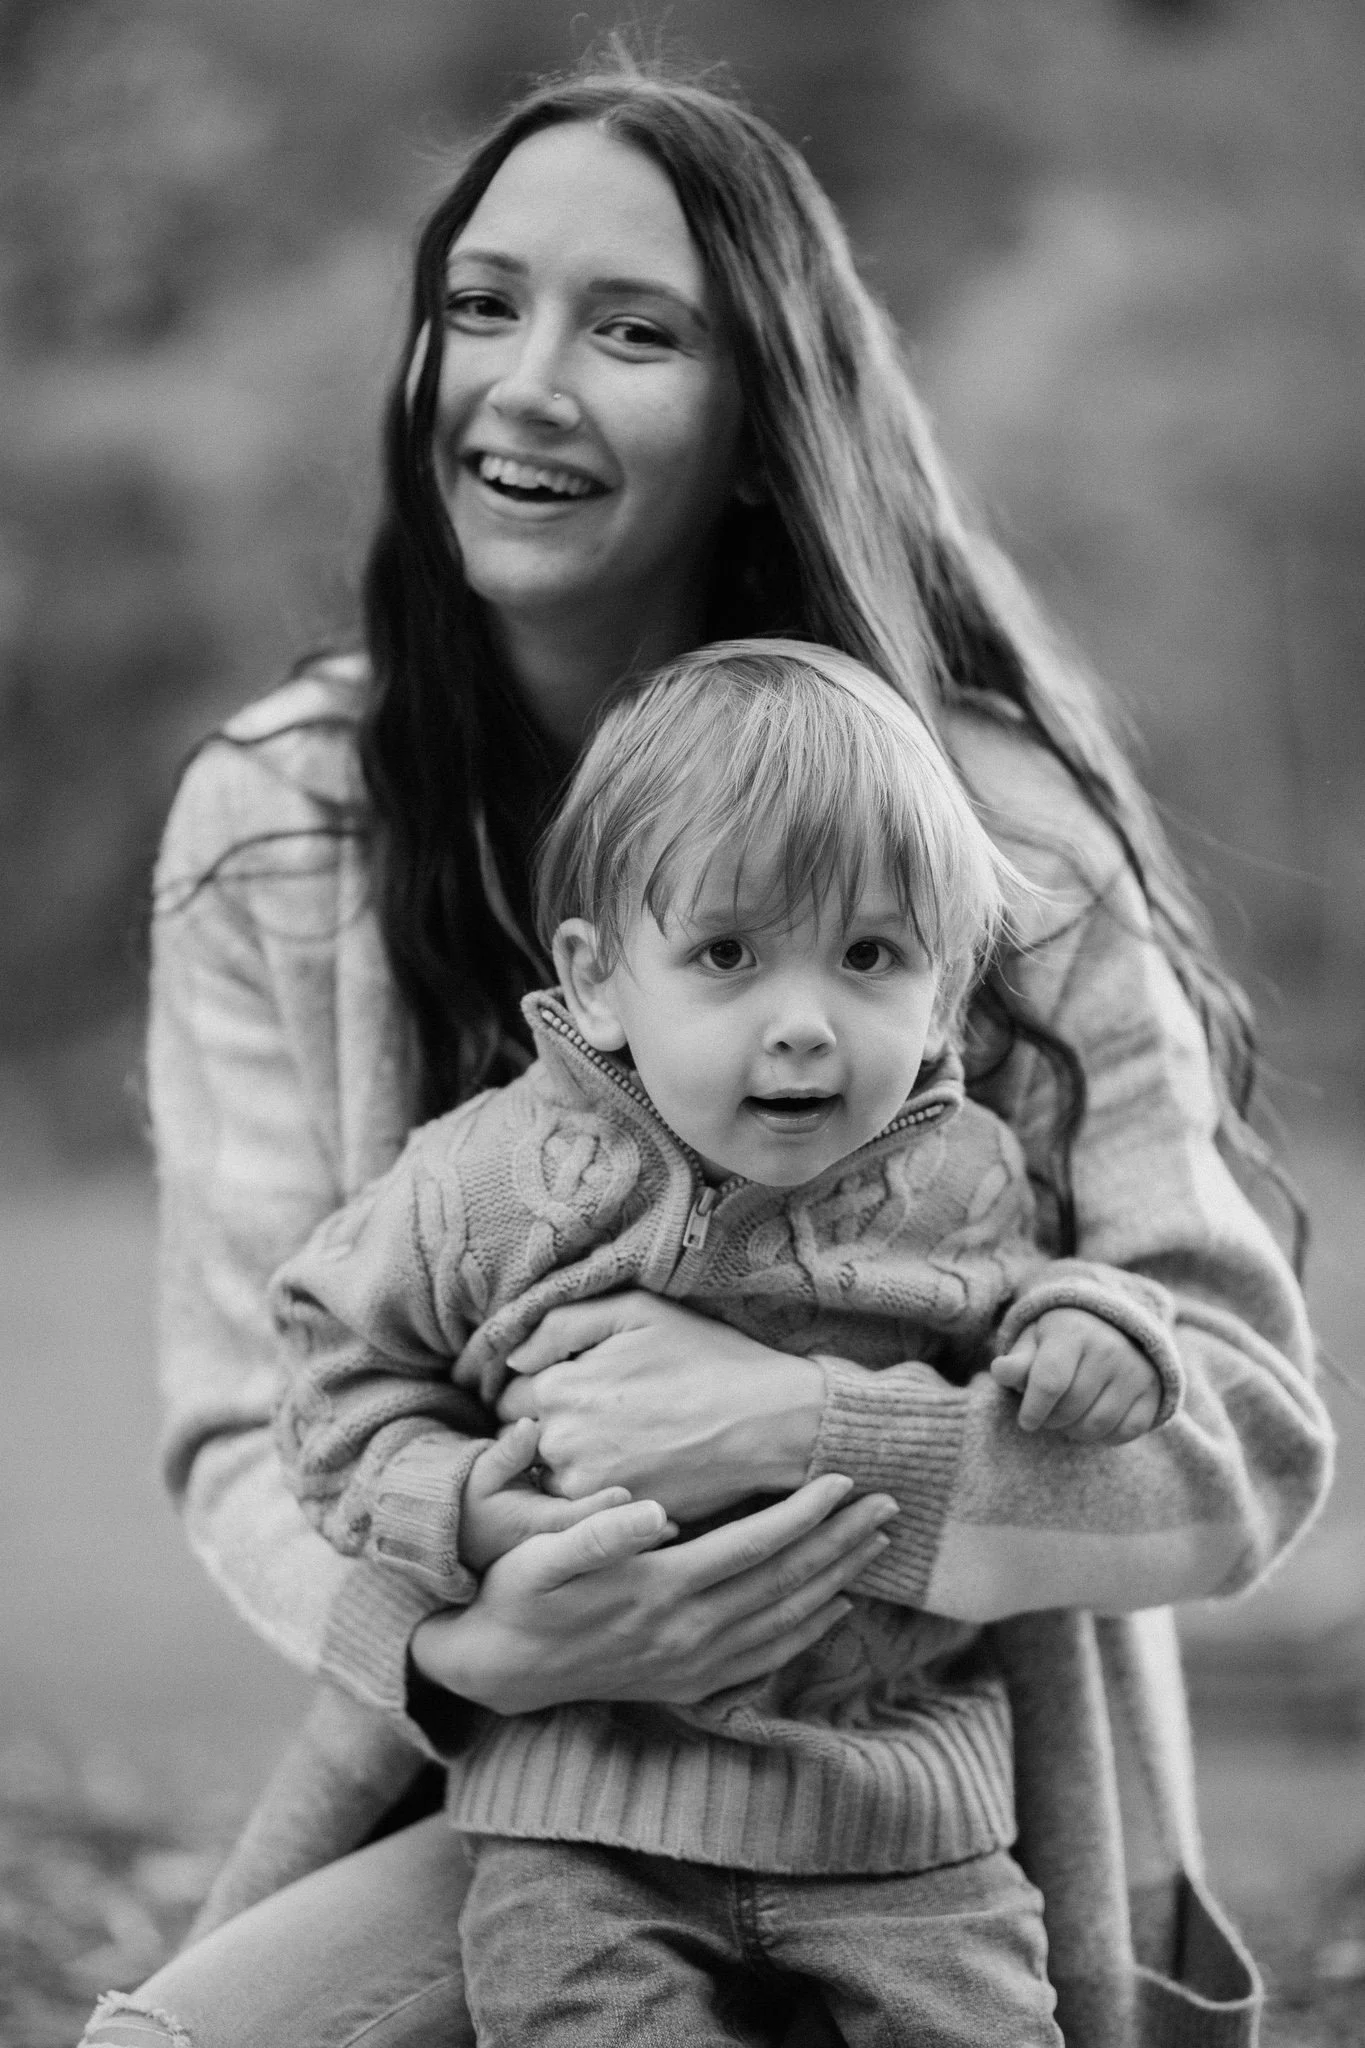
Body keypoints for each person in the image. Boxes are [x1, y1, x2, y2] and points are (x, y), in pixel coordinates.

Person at [82, 52, 1332, 2048]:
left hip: (950, 1823)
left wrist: (819, 1436)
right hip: (519, 1783)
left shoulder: (987, 833)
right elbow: (260, 1417)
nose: (526, 382)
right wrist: (487, 1603)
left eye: (633, 329)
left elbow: (1244, 1443)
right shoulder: (280, 820)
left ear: (760, 419)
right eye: (480, 305)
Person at [269, 637, 1194, 2045]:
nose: (806, 1026)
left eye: (872, 955)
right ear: (594, 979)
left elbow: (1034, 1305)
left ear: (942, 992)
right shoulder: (487, 1186)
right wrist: (463, 1507)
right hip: (582, 1820)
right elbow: (332, 1379)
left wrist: (1099, 1329)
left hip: (898, 1820)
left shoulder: (963, 1181)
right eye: (725, 955)